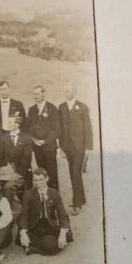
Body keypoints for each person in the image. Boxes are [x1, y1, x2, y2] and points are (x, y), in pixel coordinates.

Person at [19, 168, 72, 256]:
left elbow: (62, 214)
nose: (38, 183)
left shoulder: (54, 193)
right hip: (35, 225)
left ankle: (33, 245)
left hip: (49, 223)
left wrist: (62, 233)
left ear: (47, 178)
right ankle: (40, 245)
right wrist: (23, 232)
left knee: (68, 235)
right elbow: (23, 216)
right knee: (49, 243)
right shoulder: (28, 194)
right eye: (36, 180)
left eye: (41, 180)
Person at [58, 82, 93, 215]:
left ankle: (77, 203)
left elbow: (88, 128)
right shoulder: (61, 108)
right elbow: (60, 129)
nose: (66, 93)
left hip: (80, 147)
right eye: (64, 91)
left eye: (68, 91)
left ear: (74, 92)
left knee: (75, 173)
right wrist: (61, 147)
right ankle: (81, 198)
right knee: (73, 173)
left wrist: (88, 147)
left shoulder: (83, 107)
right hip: (67, 147)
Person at [25, 85, 61, 190]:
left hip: (49, 147)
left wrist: (45, 141)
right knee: (41, 173)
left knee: (52, 173)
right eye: (34, 94)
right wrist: (33, 139)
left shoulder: (52, 108)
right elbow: (29, 127)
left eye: (38, 93)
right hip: (37, 148)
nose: (36, 96)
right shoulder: (32, 110)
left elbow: (56, 129)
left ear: (43, 94)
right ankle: (43, 194)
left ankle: (54, 196)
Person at [0, 116, 34, 190]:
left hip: (21, 172)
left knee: (8, 187)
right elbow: (0, 156)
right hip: (5, 171)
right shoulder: (4, 137)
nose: (7, 124)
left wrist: (15, 171)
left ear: (17, 124)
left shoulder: (26, 138)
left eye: (10, 122)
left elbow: (26, 159)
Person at [0, 80, 26, 152]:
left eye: (5, 89)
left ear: (9, 89)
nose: (3, 91)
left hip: (13, 135)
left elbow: (23, 121)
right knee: (0, 159)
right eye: (1, 89)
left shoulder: (18, 104)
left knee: (15, 158)